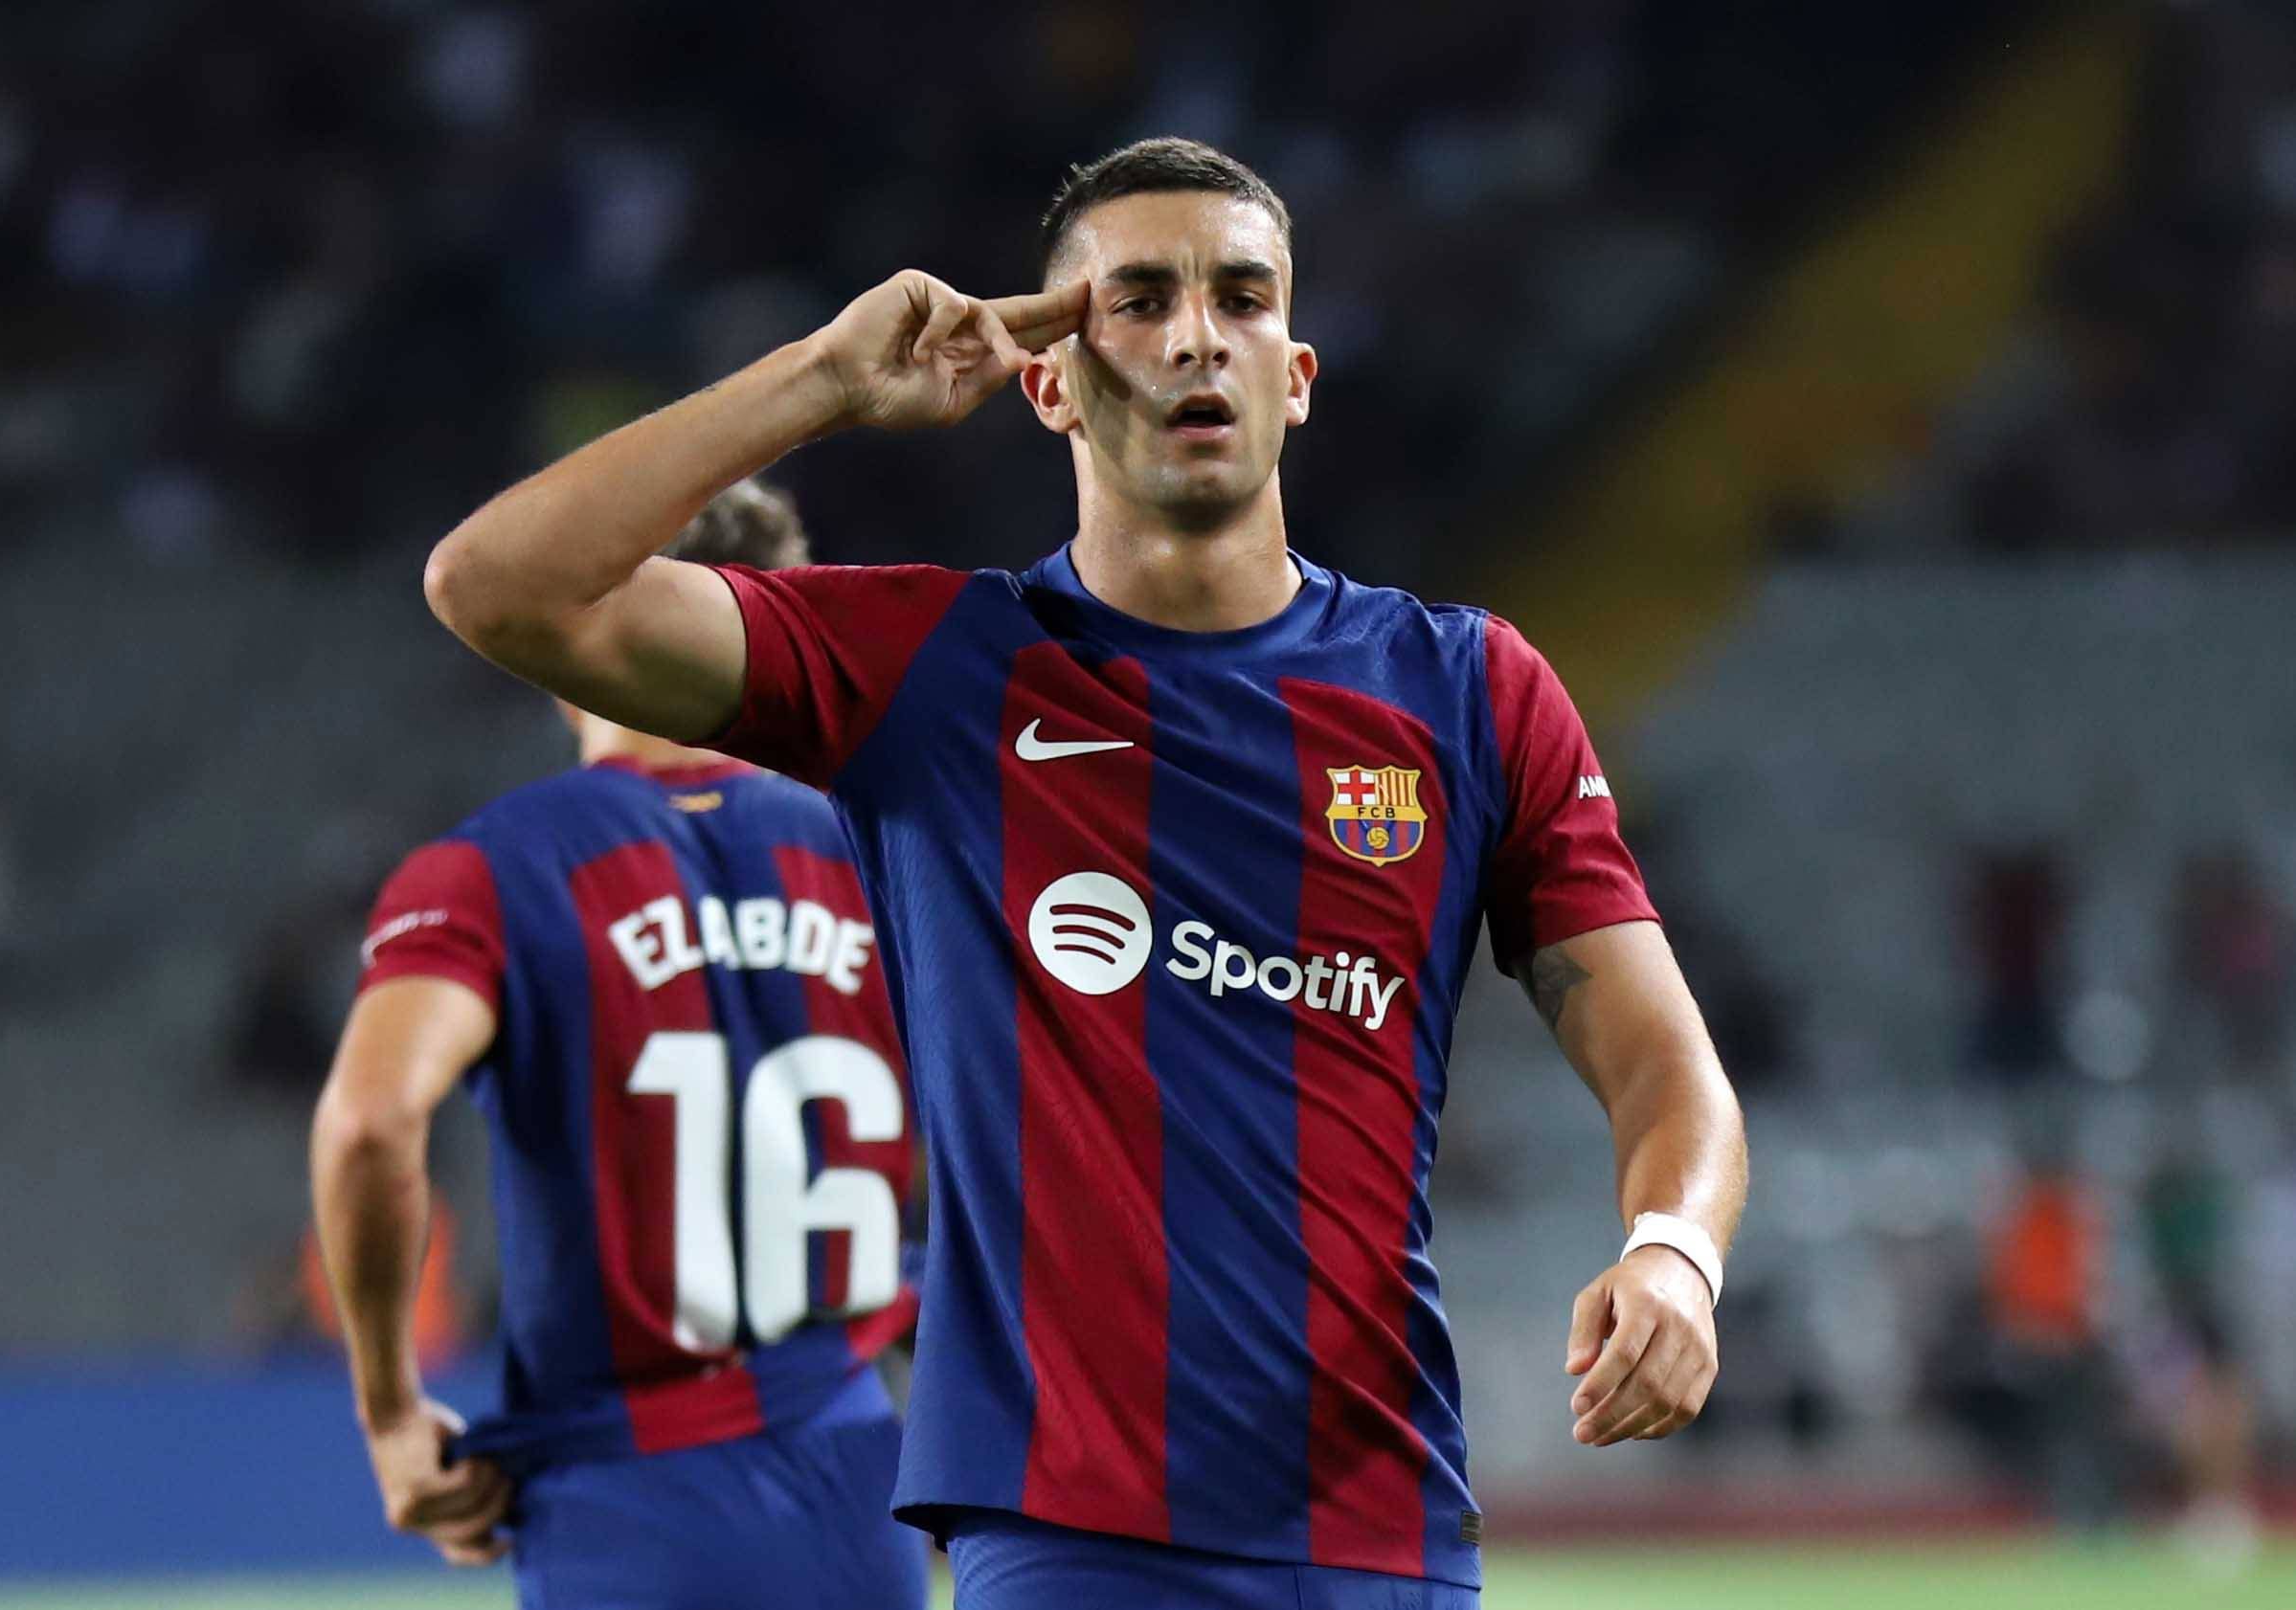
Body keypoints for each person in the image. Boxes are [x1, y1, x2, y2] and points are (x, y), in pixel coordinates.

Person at [423, 138, 1748, 1608]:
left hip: (1381, 1527)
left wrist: (1674, 1254)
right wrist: (819, 382)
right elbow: (499, 586)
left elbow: (1666, 1072)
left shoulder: (1464, 691)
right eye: (1135, 301)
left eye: (1241, 297)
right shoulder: (930, 671)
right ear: (1044, 376)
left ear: (1293, 375)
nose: (1195, 334)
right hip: (1065, 1533)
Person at [311, 481, 926, 1609]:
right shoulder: (889, 862)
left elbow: (370, 1120)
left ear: (562, 638)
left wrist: (392, 1411)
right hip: (857, 1486)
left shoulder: (498, 867)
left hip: (622, 1495)